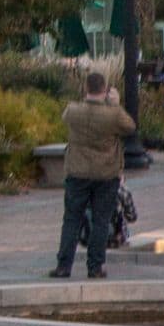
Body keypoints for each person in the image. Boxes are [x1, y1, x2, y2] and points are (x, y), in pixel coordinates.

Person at [53, 69, 136, 280]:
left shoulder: (73, 111)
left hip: (77, 172)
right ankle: (95, 266)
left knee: (71, 219)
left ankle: (64, 266)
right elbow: (130, 127)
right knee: (101, 221)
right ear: (105, 90)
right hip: (106, 174)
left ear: (85, 88)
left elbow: (65, 117)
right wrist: (115, 104)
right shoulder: (113, 114)